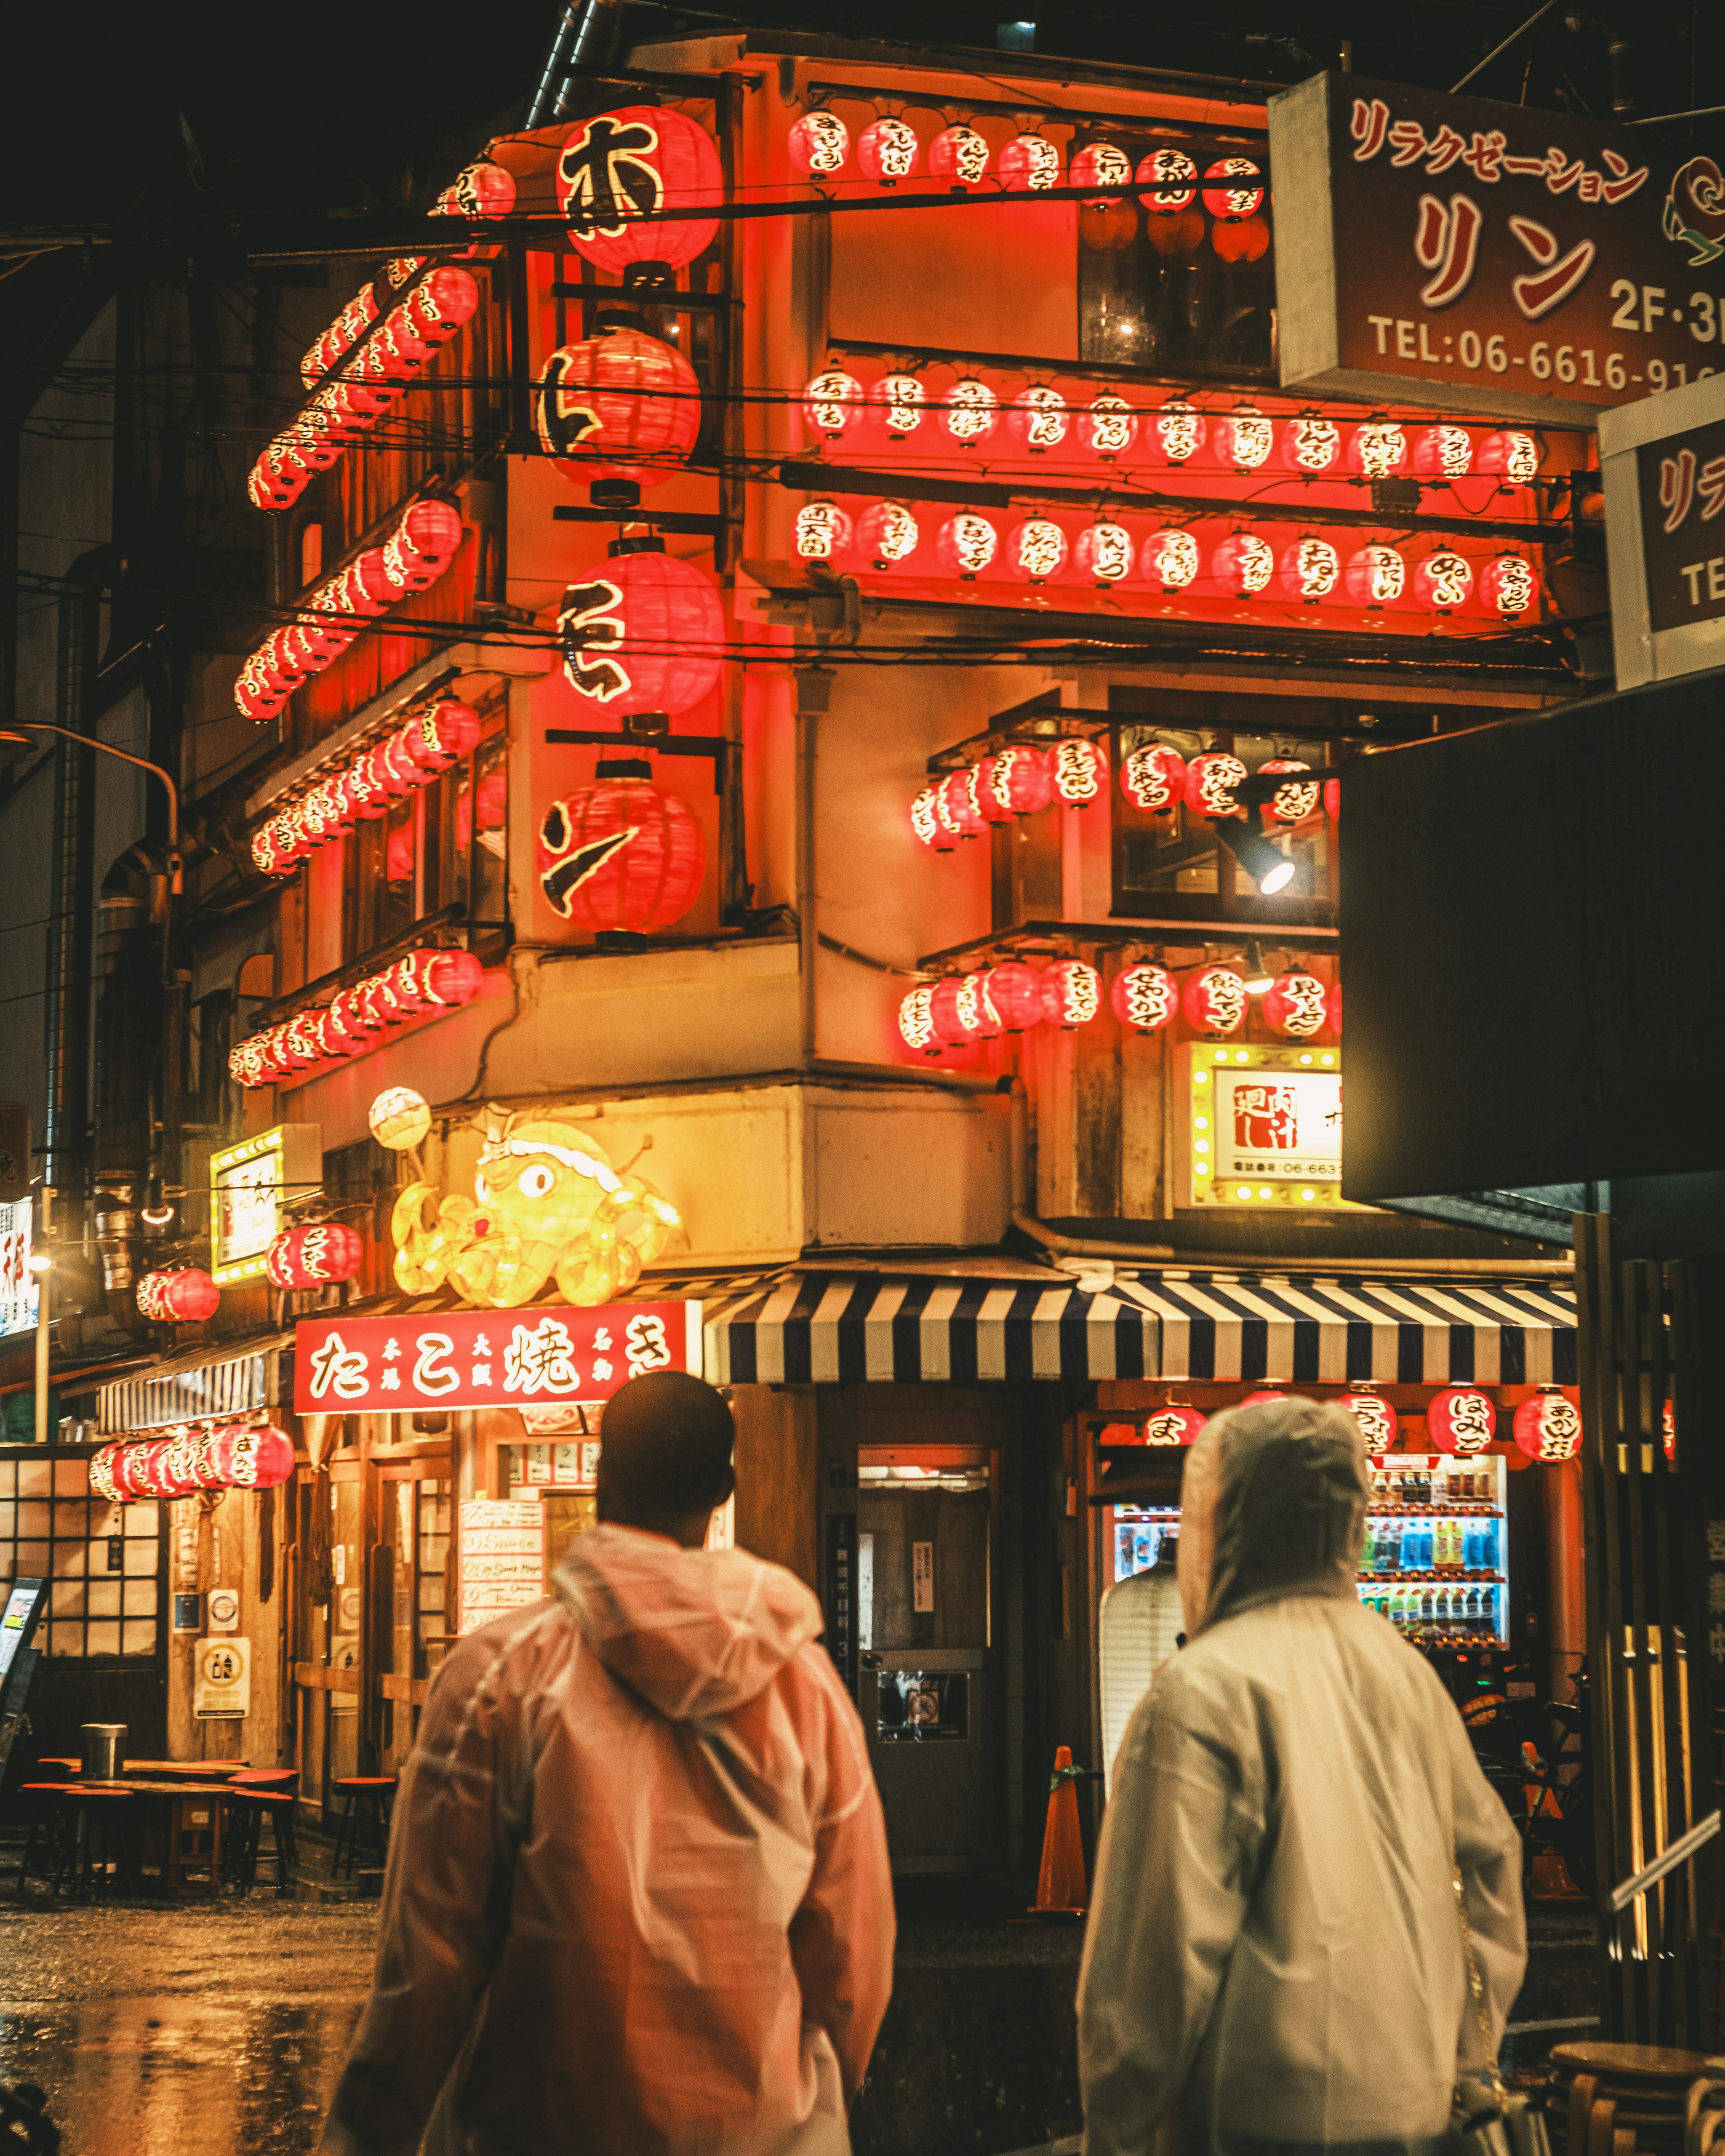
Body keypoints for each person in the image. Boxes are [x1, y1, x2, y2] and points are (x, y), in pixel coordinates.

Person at [324, 1369, 894, 2156]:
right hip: (764, 2133)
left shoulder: (501, 1675)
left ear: (601, 1476)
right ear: (724, 1490)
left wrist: (369, 2135)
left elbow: (431, 1957)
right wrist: (818, 2101)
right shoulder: (806, 1685)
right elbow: (852, 1941)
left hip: (537, 2128)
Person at [1078, 1397, 1525, 2156]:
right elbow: (1489, 1867)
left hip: (1250, 2122)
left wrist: (1115, 2130)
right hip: (1415, 2110)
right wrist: (1463, 2056)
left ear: (1217, 1521)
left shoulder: (1201, 1689)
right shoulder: (1404, 1671)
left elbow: (1153, 1961)